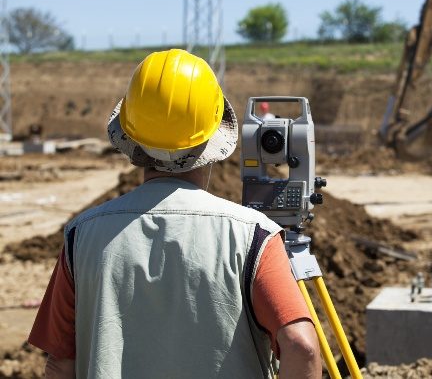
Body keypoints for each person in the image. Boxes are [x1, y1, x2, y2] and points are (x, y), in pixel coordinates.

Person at [27, 49, 321, 379]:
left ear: (129, 138)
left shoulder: (81, 236)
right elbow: (302, 347)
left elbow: (60, 363)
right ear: (213, 138)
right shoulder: (253, 236)